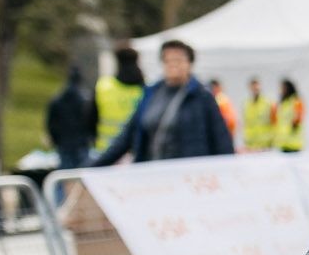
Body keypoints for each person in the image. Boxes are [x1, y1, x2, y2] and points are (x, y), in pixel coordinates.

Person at [91, 40, 234, 165]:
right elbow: (126, 137)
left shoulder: (202, 98)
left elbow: (221, 140)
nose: (173, 65)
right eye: (168, 60)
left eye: (178, 60)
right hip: (155, 177)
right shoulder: (151, 94)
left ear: (189, 63)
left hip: (190, 178)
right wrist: (91, 167)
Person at [92, 45, 145, 154]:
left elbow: (90, 119)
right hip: (134, 152)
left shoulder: (103, 87)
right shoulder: (145, 90)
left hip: (105, 151)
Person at [45, 67, 96, 170]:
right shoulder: (85, 99)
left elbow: (51, 122)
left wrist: (55, 139)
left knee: (65, 176)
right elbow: (92, 121)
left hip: (64, 143)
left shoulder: (58, 99)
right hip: (82, 143)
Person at [242, 77, 275, 151]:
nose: (255, 90)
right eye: (253, 88)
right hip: (251, 145)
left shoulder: (268, 103)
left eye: (256, 88)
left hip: (265, 145)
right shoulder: (246, 104)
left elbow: (274, 122)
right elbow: (246, 123)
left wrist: (273, 140)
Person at [276, 78, 305, 152]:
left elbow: (298, 117)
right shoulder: (283, 103)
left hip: (294, 143)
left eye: (283, 88)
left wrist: (293, 126)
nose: (281, 90)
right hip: (283, 142)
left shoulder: (296, 101)